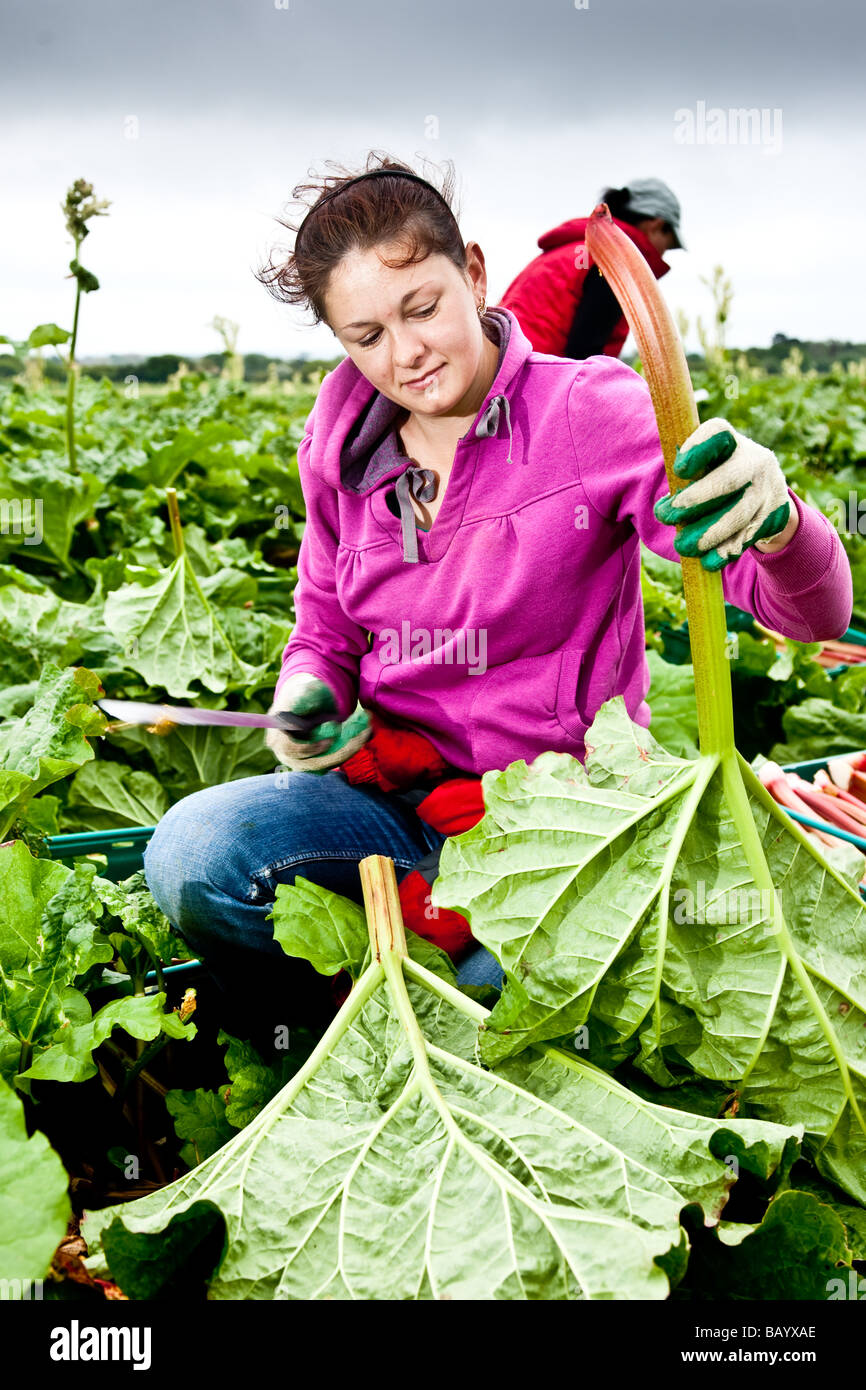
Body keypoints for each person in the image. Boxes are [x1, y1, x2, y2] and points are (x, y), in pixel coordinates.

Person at [141, 153, 853, 1049]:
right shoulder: (337, 445)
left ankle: (408, 1010)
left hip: (560, 823)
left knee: (486, 1005)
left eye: (423, 308)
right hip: (396, 799)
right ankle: (330, 1043)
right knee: (191, 858)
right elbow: (321, 628)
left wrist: (782, 525)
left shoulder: (589, 413)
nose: (403, 356)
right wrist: (306, 698)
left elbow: (813, 616)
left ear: (473, 272)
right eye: (364, 335)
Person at [499, 179, 684, 359]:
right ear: (656, 226)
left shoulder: (573, 250)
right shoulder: (613, 257)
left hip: (502, 369)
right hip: (530, 379)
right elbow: (585, 354)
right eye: (668, 245)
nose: (663, 253)